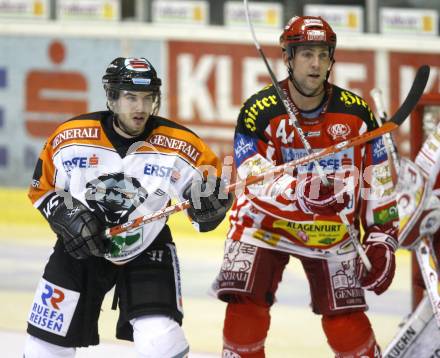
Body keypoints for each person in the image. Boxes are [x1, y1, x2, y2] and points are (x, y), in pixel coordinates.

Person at [212, 16, 398, 357]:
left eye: (323, 54)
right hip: (265, 225)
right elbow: (252, 177)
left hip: (331, 228)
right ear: (288, 57)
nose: (315, 63)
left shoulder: (357, 114)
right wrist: (301, 191)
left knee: (346, 322)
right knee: (245, 308)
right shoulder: (258, 111)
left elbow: (379, 177)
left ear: (331, 60)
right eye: (307, 54)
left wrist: (382, 235)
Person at [24, 56, 233, 358]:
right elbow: (42, 188)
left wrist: (209, 208)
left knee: (162, 342)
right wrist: (66, 214)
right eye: (131, 97)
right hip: (80, 246)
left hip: (146, 247)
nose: (140, 108)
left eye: (148, 98)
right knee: (44, 349)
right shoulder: (70, 138)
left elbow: (203, 209)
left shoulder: (180, 144)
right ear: (111, 97)